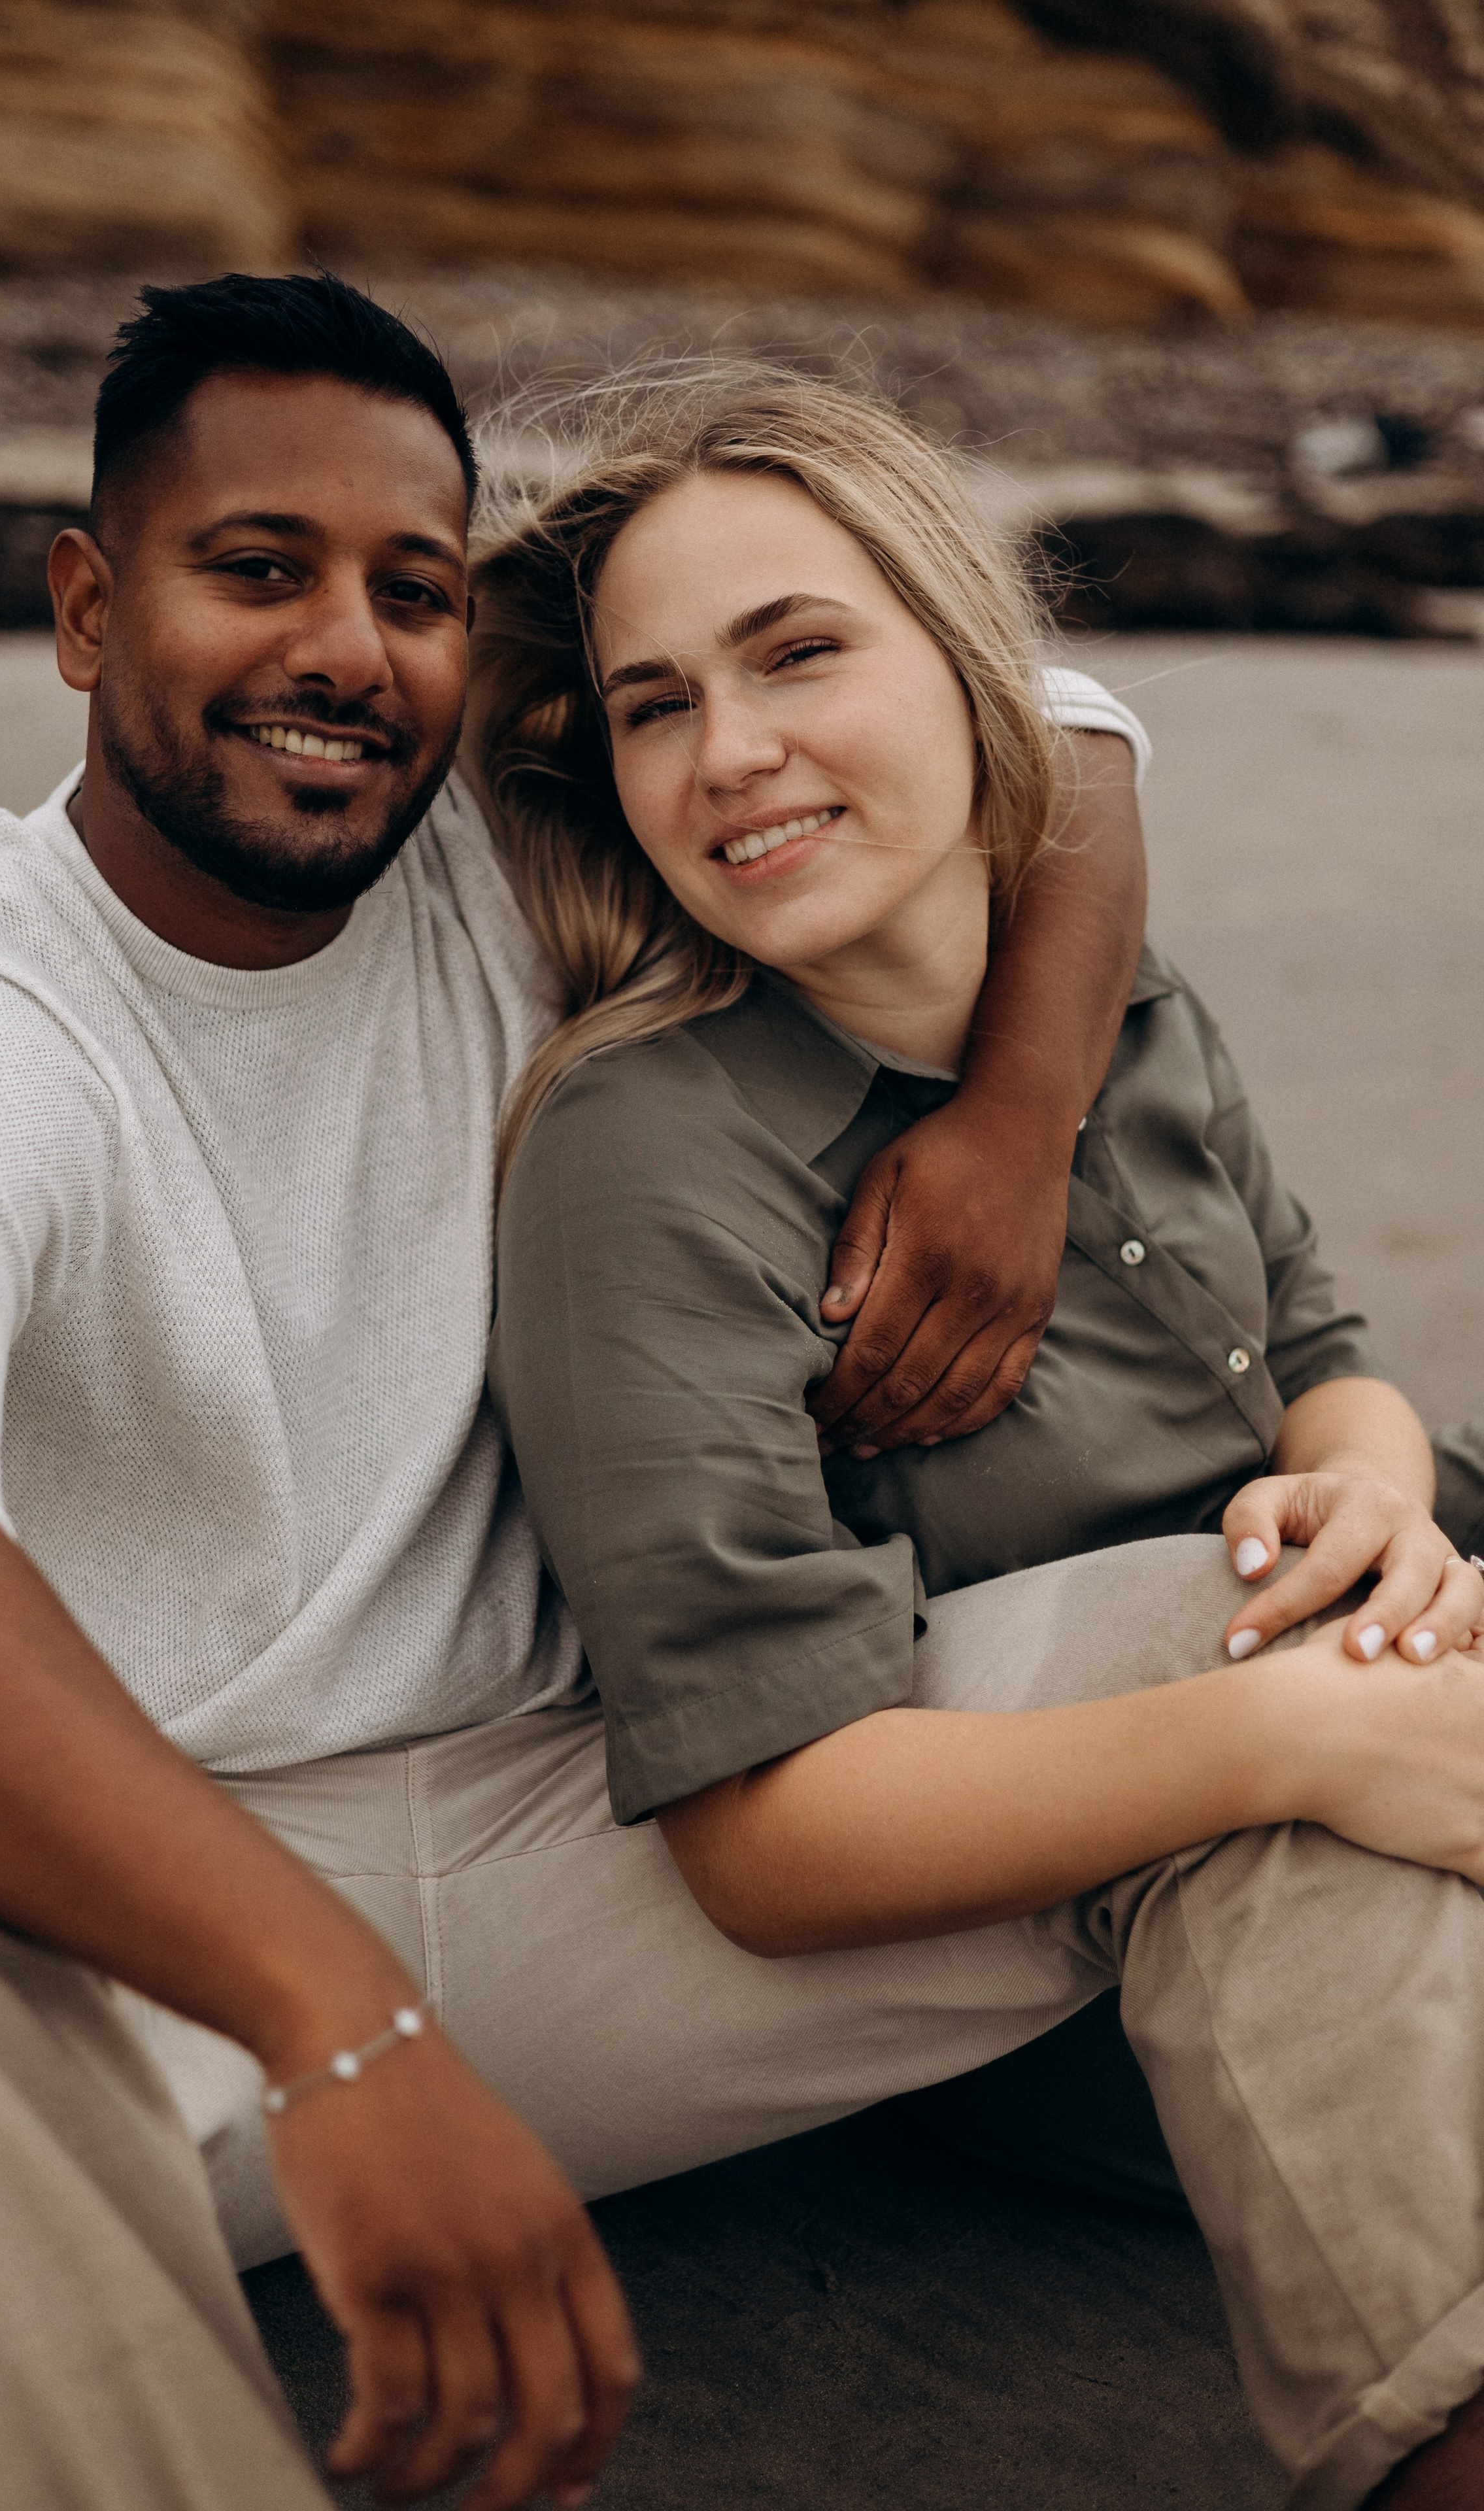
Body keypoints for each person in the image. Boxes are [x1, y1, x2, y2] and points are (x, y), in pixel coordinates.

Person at [0, 274, 1157, 2511]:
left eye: (412, 592)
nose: (347, 649)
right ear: (81, 605)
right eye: (257, 570)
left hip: (601, 1841)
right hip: (145, 1948)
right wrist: (334, 2012)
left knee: (1254, 1625)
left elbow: (1066, 726)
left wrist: (1017, 1117)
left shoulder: (501, 841)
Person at [474, 365, 1484, 2510]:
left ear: (968, 662)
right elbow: (760, 1839)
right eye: (653, 706)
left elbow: (1321, 1340)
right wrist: (1315, 1734)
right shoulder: (644, 1153)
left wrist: (1376, 1495)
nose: (729, 754)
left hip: (1350, 1660)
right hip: (1156, 1900)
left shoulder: (1117, 990)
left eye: (799, 654)